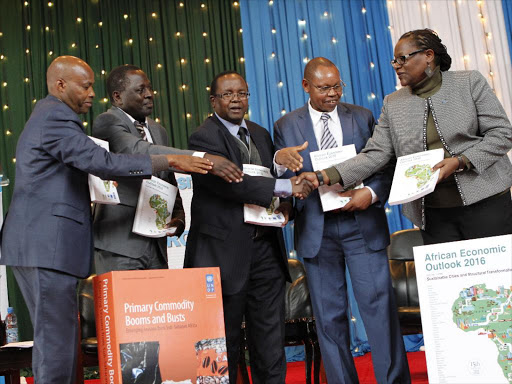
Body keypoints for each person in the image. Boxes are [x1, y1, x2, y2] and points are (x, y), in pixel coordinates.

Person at [0, 56, 215, 384]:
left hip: (43, 245)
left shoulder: (55, 116)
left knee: (61, 340)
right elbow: (98, 160)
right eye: (84, 85)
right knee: (57, 343)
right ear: (60, 85)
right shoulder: (55, 116)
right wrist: (170, 159)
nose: (91, 93)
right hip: (45, 245)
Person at [296, 29, 512, 245]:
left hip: (486, 201)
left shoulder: (468, 83)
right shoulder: (393, 102)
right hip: (434, 214)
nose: (396, 66)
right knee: (449, 278)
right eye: (394, 61)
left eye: (402, 59)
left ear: (428, 55)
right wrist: (323, 176)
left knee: (498, 277)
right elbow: (375, 154)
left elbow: (502, 133)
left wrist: (459, 162)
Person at [273, 57, 410, 384]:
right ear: (306, 86)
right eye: (323, 88)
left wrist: (373, 194)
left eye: (337, 86)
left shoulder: (362, 117)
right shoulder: (286, 126)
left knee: (379, 312)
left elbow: (384, 165)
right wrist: (281, 164)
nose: (332, 93)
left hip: (362, 224)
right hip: (317, 231)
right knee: (330, 319)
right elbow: (280, 177)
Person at [184, 71, 313, 384]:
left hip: (266, 251)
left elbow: (267, 178)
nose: (236, 100)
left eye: (241, 93)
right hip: (223, 256)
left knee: (269, 340)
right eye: (228, 94)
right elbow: (234, 184)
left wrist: (285, 204)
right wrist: (285, 187)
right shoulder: (203, 137)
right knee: (221, 340)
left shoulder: (259, 133)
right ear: (213, 100)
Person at [92, 65, 242, 274]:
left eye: (150, 88)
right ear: (118, 97)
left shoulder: (157, 130)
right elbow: (138, 150)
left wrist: (179, 214)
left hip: (157, 244)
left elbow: (168, 179)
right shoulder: (107, 121)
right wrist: (197, 158)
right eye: (140, 90)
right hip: (121, 245)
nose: (149, 94)